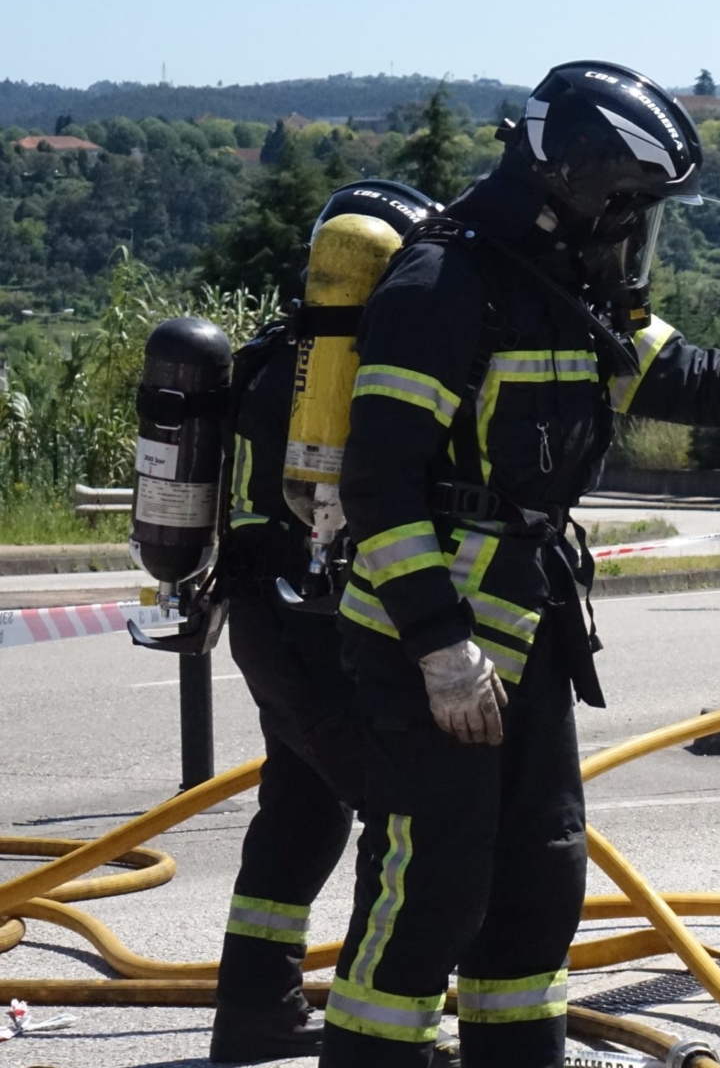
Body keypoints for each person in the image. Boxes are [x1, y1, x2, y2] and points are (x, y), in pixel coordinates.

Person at [319, 62, 720, 1068]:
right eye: (631, 205)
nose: (636, 230)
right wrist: (441, 648)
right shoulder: (441, 283)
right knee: (433, 881)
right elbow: (379, 485)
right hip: (428, 644)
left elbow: (705, 385)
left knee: (540, 878)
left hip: (526, 628)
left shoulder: (574, 293)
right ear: (579, 182)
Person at [209, 179, 439, 1064]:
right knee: (399, 815)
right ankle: (372, 1018)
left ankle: (256, 1007)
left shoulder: (271, 356)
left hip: (265, 616)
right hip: (324, 624)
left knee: (300, 809)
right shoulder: (360, 366)